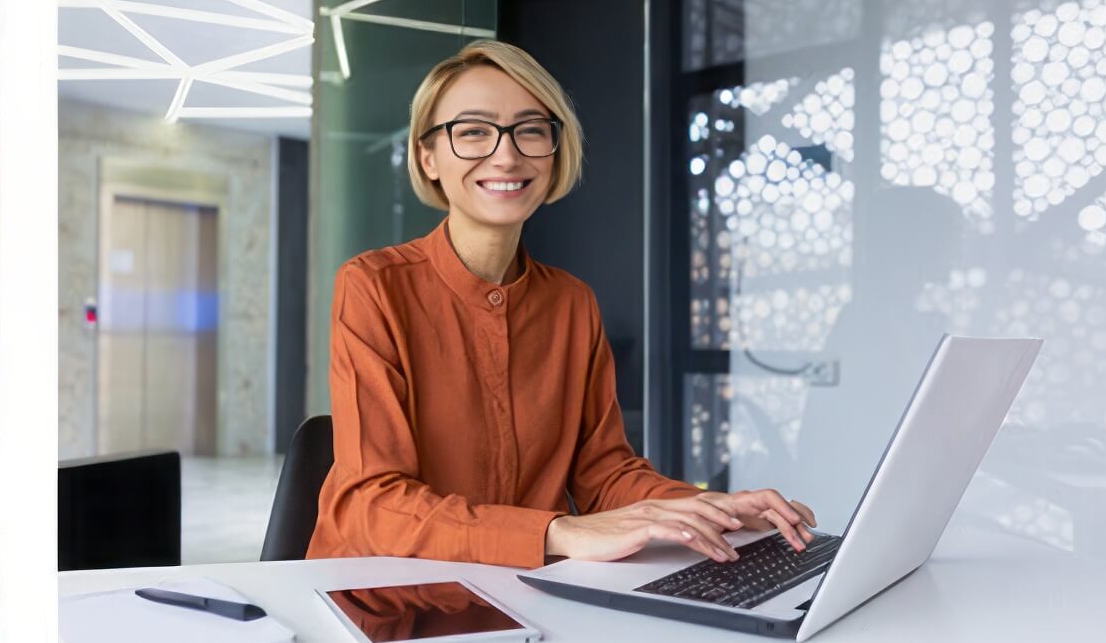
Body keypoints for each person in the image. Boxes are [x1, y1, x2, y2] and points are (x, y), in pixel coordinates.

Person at [307, 40, 817, 569]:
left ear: (555, 152)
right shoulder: (374, 287)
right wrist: (558, 532)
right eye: (474, 131)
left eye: (530, 130)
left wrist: (708, 507)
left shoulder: (572, 303)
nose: (506, 155)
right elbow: (374, 502)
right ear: (427, 156)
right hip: (382, 603)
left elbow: (605, 473)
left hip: (526, 601)